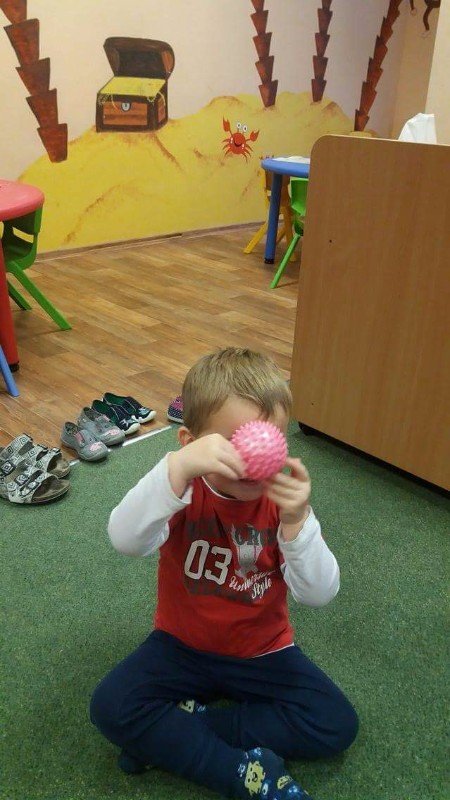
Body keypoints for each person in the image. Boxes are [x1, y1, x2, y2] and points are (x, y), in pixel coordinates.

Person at [90, 348, 358, 799]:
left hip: (262, 651)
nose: (252, 461)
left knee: (335, 723)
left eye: (269, 440)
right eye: (232, 443)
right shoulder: (180, 489)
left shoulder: (282, 504)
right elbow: (125, 538)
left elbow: (318, 593)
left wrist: (297, 521)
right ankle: (242, 773)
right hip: (180, 645)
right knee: (110, 706)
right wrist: (175, 469)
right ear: (191, 443)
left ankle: (177, 730)